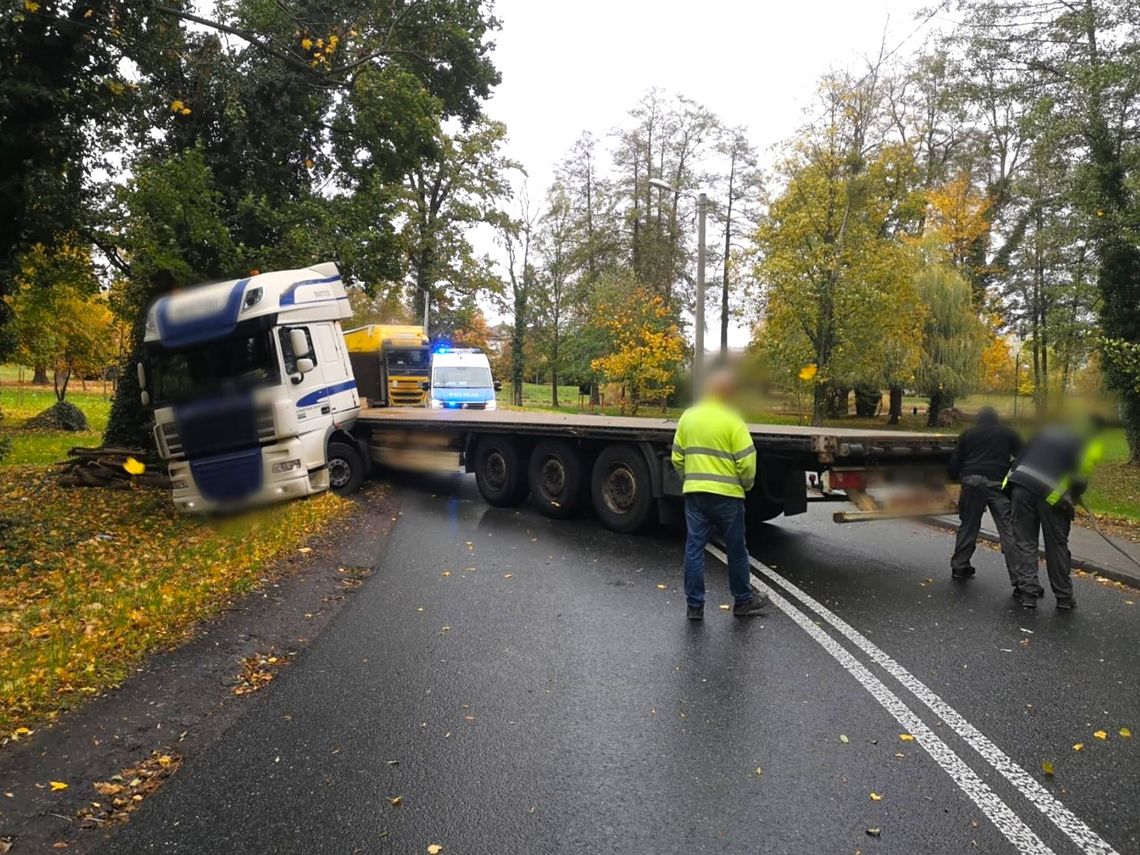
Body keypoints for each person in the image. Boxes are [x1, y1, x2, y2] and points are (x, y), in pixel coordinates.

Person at [671, 369, 769, 620]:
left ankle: (695, 606)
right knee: (736, 550)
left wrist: (689, 480)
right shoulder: (732, 420)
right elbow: (747, 462)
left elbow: (677, 457)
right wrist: (745, 485)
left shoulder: (688, 417)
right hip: (728, 496)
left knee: (694, 548)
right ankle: (743, 601)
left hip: (696, 495)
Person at [1005, 416, 1105, 610]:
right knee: (1056, 545)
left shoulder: (1043, 433)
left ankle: (1028, 595)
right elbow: (1079, 477)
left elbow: (1019, 460)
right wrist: (1074, 495)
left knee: (1025, 543)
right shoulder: (1085, 442)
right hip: (1052, 494)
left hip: (1021, 488)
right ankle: (1064, 597)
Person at [947, 407, 1022, 582]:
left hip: (971, 482)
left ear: (978, 419)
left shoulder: (968, 434)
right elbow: (1023, 455)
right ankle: (1020, 579)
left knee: (969, 525)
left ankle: (959, 566)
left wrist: (955, 476)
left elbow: (956, 461)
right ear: (997, 419)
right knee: (1008, 530)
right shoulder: (1008, 433)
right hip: (997, 483)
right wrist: (1012, 469)